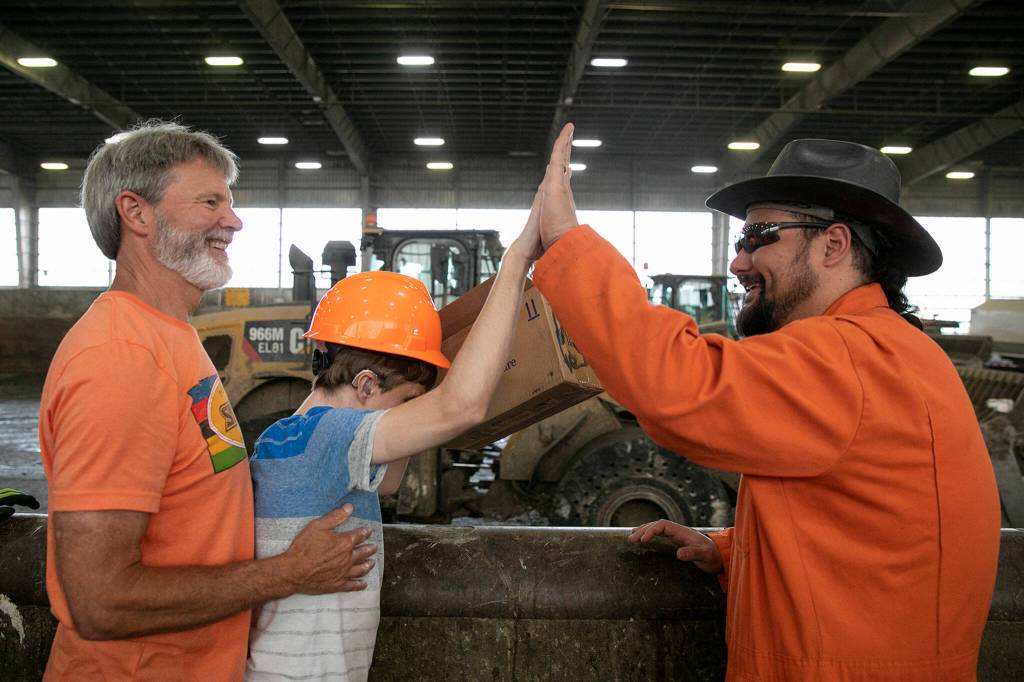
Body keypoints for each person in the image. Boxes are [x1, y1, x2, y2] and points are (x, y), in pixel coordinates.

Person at [532, 124, 1001, 680]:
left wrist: (566, 242)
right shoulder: (892, 351)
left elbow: (678, 386)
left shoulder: (846, 356)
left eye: (759, 235)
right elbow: (871, 538)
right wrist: (735, 554)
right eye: (740, 241)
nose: (739, 261)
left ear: (834, 244)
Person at [39, 121, 376, 681]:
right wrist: (286, 574)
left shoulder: (171, 335)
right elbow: (98, 601)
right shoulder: (121, 357)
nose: (234, 220)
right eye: (209, 201)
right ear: (136, 212)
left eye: (232, 201)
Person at [246, 193, 541, 681]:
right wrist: (516, 263)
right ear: (365, 385)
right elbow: (461, 406)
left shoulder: (291, 439)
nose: (411, 417)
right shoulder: (330, 438)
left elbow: (389, 483)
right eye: (407, 403)